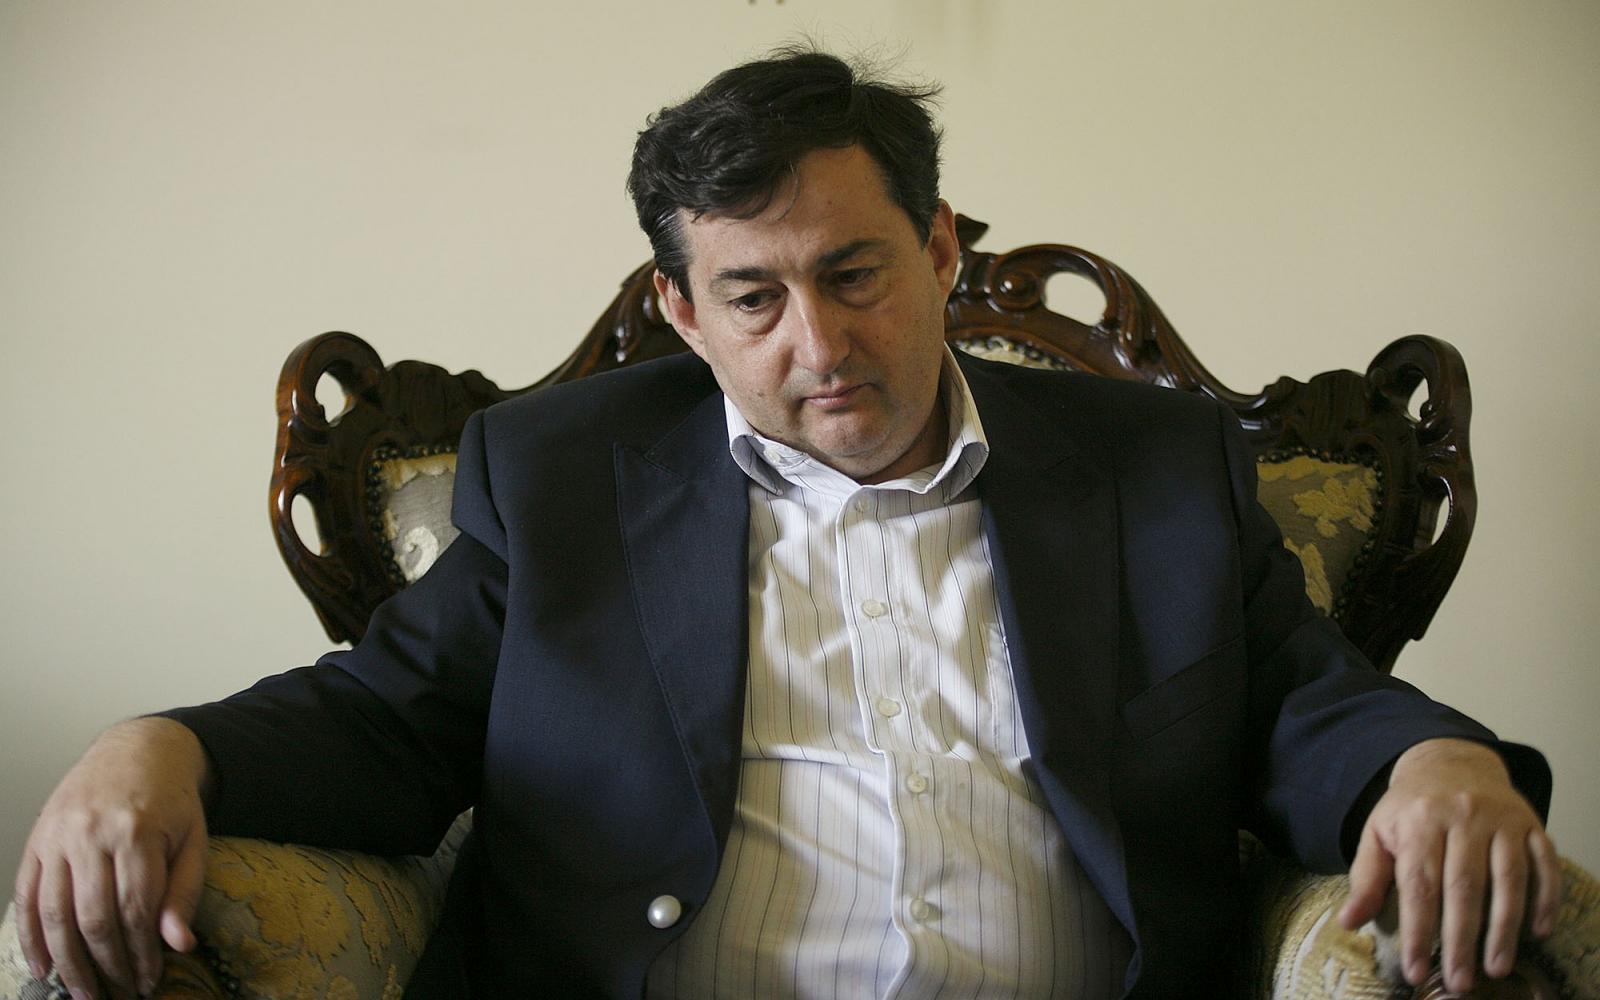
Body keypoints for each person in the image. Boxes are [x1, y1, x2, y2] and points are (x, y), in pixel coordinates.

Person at [13, 48, 1560, 1000]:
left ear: (939, 249)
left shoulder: (1154, 471)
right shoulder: (560, 481)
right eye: (753, 296)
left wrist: (1435, 763)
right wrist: (161, 749)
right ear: (685, 311)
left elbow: (1306, 703)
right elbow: (382, 721)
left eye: (855, 272)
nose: (818, 344)